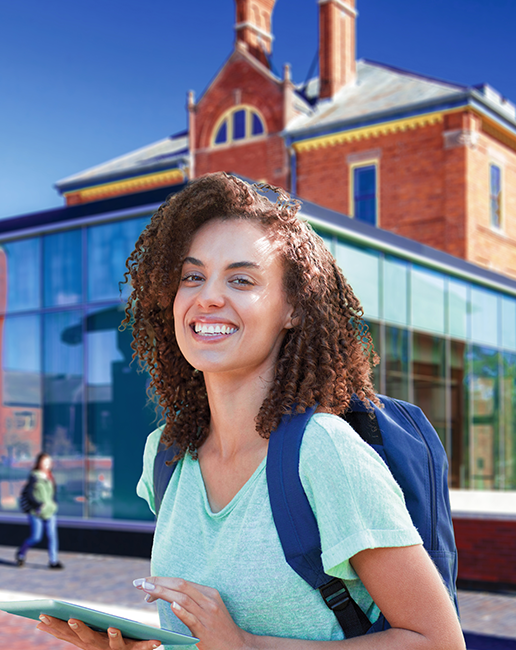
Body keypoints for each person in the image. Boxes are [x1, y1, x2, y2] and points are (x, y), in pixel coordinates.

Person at [37, 172, 464, 649]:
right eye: (192, 277)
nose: (208, 296)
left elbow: (439, 642)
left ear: (293, 309)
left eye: (241, 279)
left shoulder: (323, 451)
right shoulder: (167, 454)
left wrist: (246, 646)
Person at [16, 452, 64, 570]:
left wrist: (53, 504)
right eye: (45, 462)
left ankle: (53, 561)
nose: (47, 464)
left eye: (49, 462)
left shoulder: (50, 476)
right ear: (39, 463)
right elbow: (29, 494)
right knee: (36, 537)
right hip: (36, 511)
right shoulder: (34, 476)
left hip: (50, 511)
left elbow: (53, 493)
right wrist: (39, 504)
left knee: (52, 536)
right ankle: (21, 554)